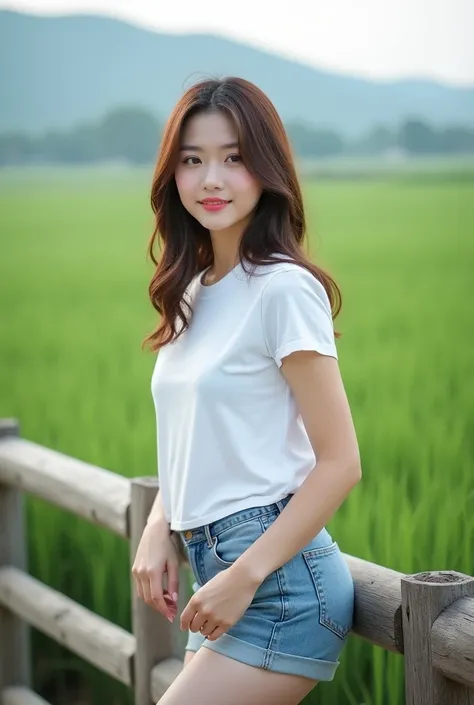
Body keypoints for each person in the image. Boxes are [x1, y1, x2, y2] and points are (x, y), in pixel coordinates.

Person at [132, 76, 361, 705]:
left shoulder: (283, 289)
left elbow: (341, 463)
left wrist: (245, 575)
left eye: (234, 158)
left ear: (267, 169)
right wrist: (161, 525)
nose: (212, 179)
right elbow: (193, 439)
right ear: (171, 175)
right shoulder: (191, 289)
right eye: (193, 160)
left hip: (278, 582)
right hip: (214, 569)